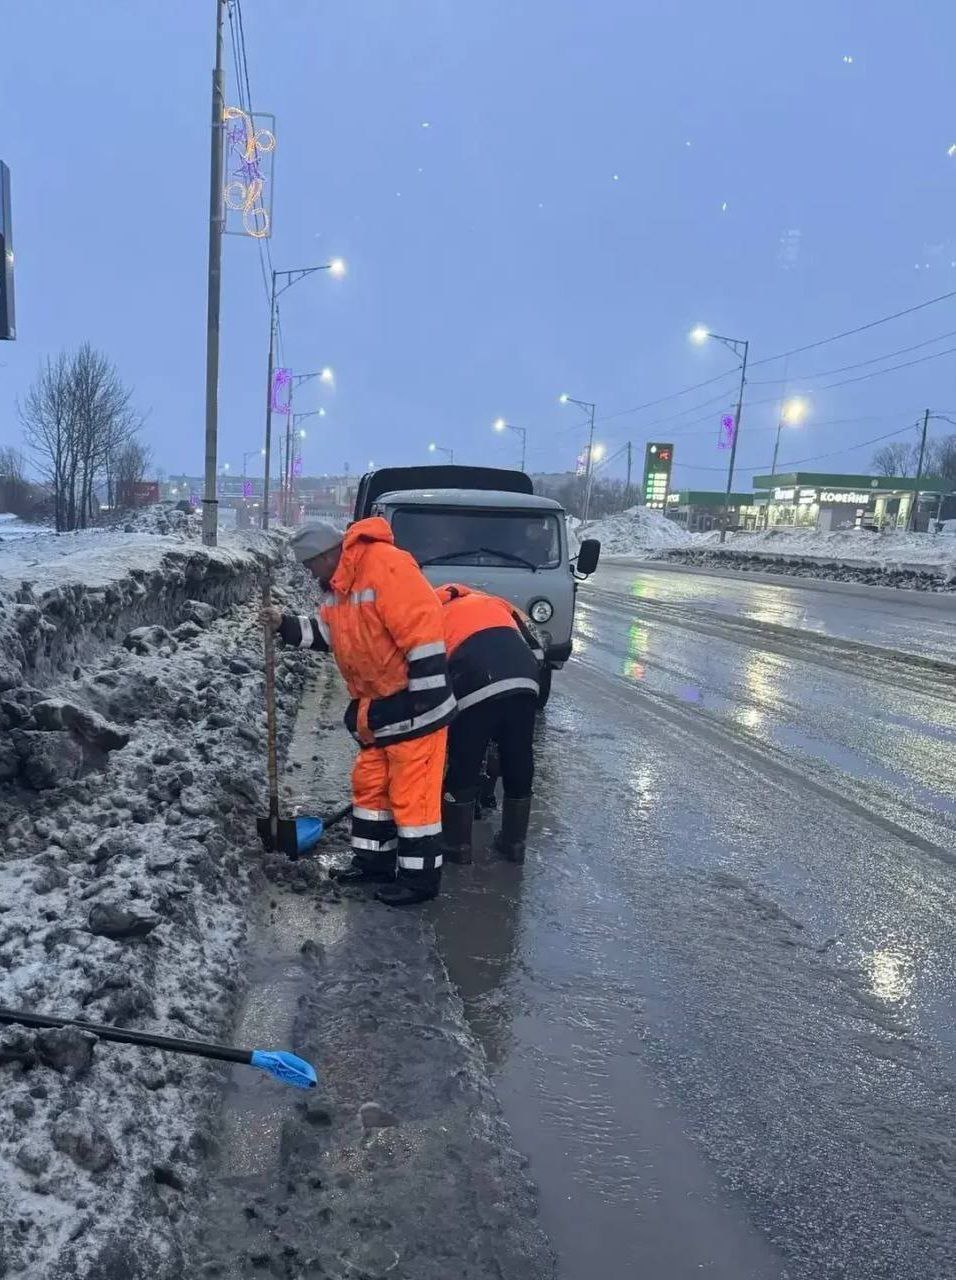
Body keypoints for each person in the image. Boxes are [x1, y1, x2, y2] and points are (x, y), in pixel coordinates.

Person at [263, 519, 456, 906]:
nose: (308, 573)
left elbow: (423, 628)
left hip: (415, 707)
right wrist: (284, 625)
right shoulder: (338, 588)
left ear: (328, 554)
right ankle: (374, 863)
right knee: (371, 791)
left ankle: (419, 882)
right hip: (379, 711)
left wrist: (421, 700)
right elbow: (330, 634)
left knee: (411, 799)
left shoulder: (385, 565)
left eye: (309, 565)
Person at [435, 584, 543, 865]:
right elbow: (537, 646)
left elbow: (427, 669)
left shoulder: (433, 612)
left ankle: (457, 845)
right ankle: (514, 843)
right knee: (519, 755)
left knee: (464, 759)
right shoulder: (496, 602)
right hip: (524, 676)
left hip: (473, 679)